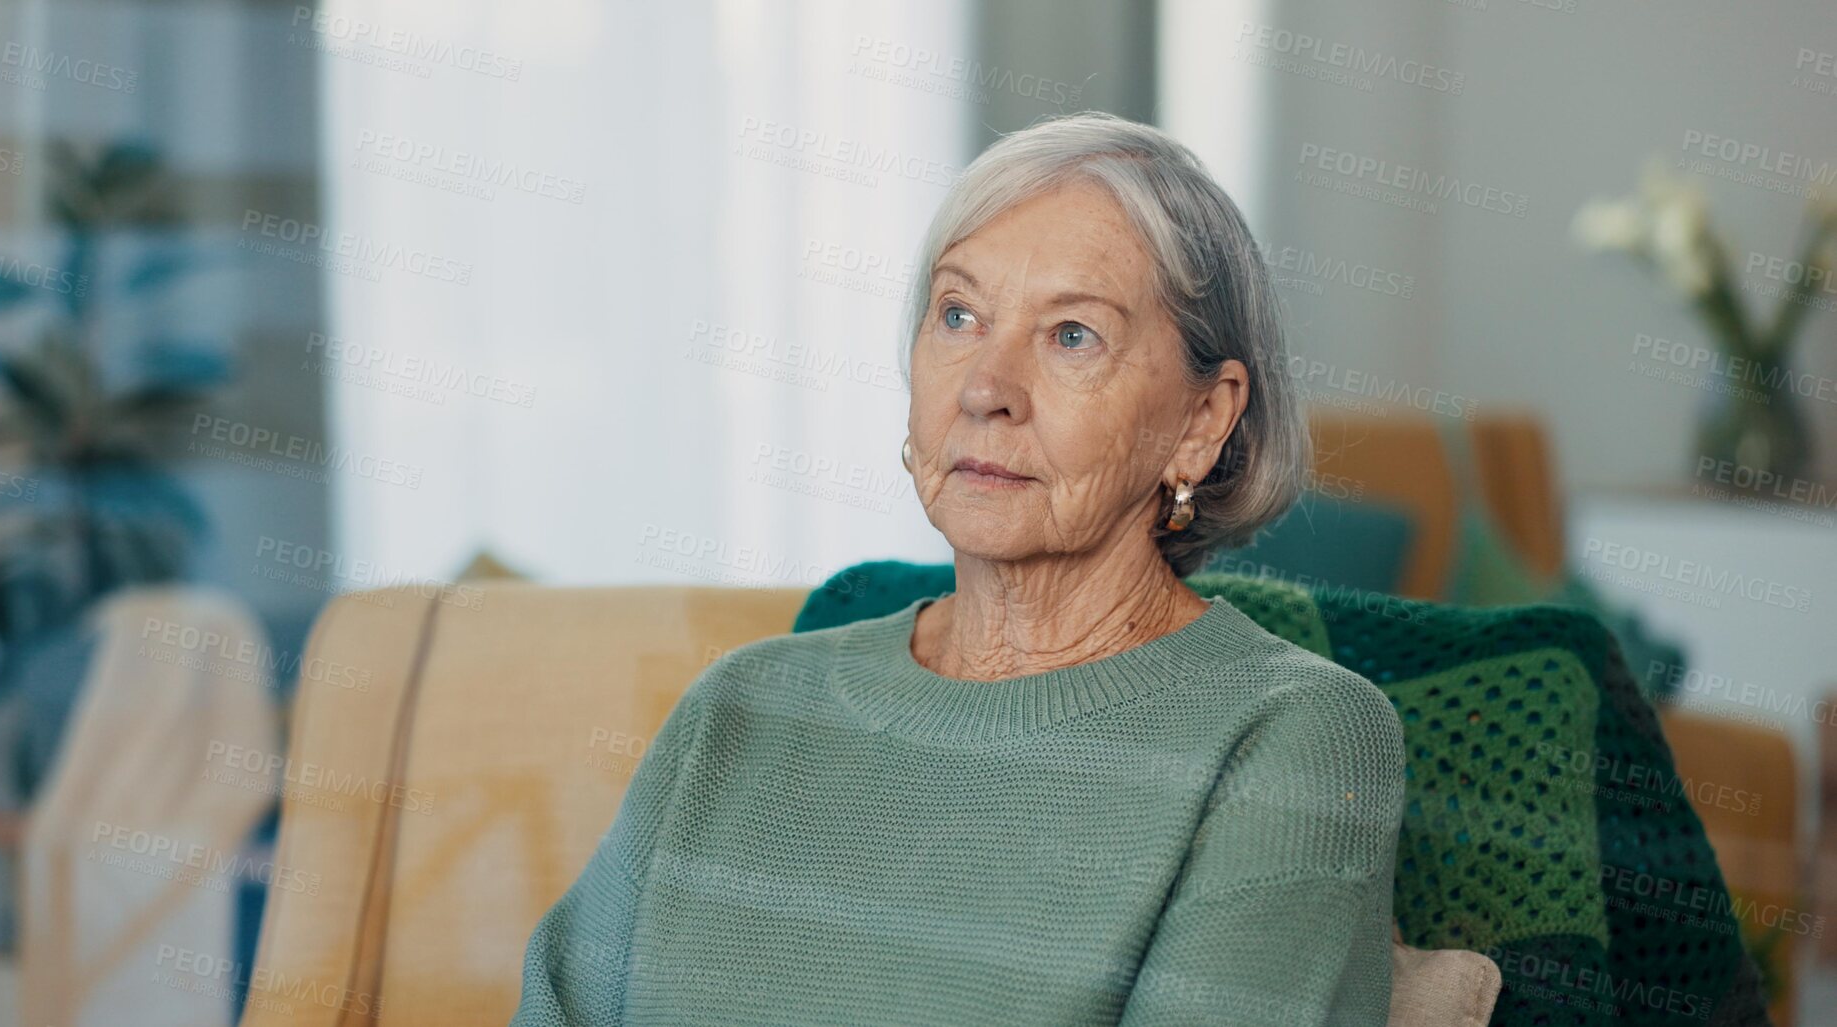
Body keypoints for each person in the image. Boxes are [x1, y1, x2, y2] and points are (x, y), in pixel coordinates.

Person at [510, 110, 1406, 1026]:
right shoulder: (738, 706)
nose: (984, 388)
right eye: (958, 315)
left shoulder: (1293, 736)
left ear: (1200, 421)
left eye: (1070, 336)